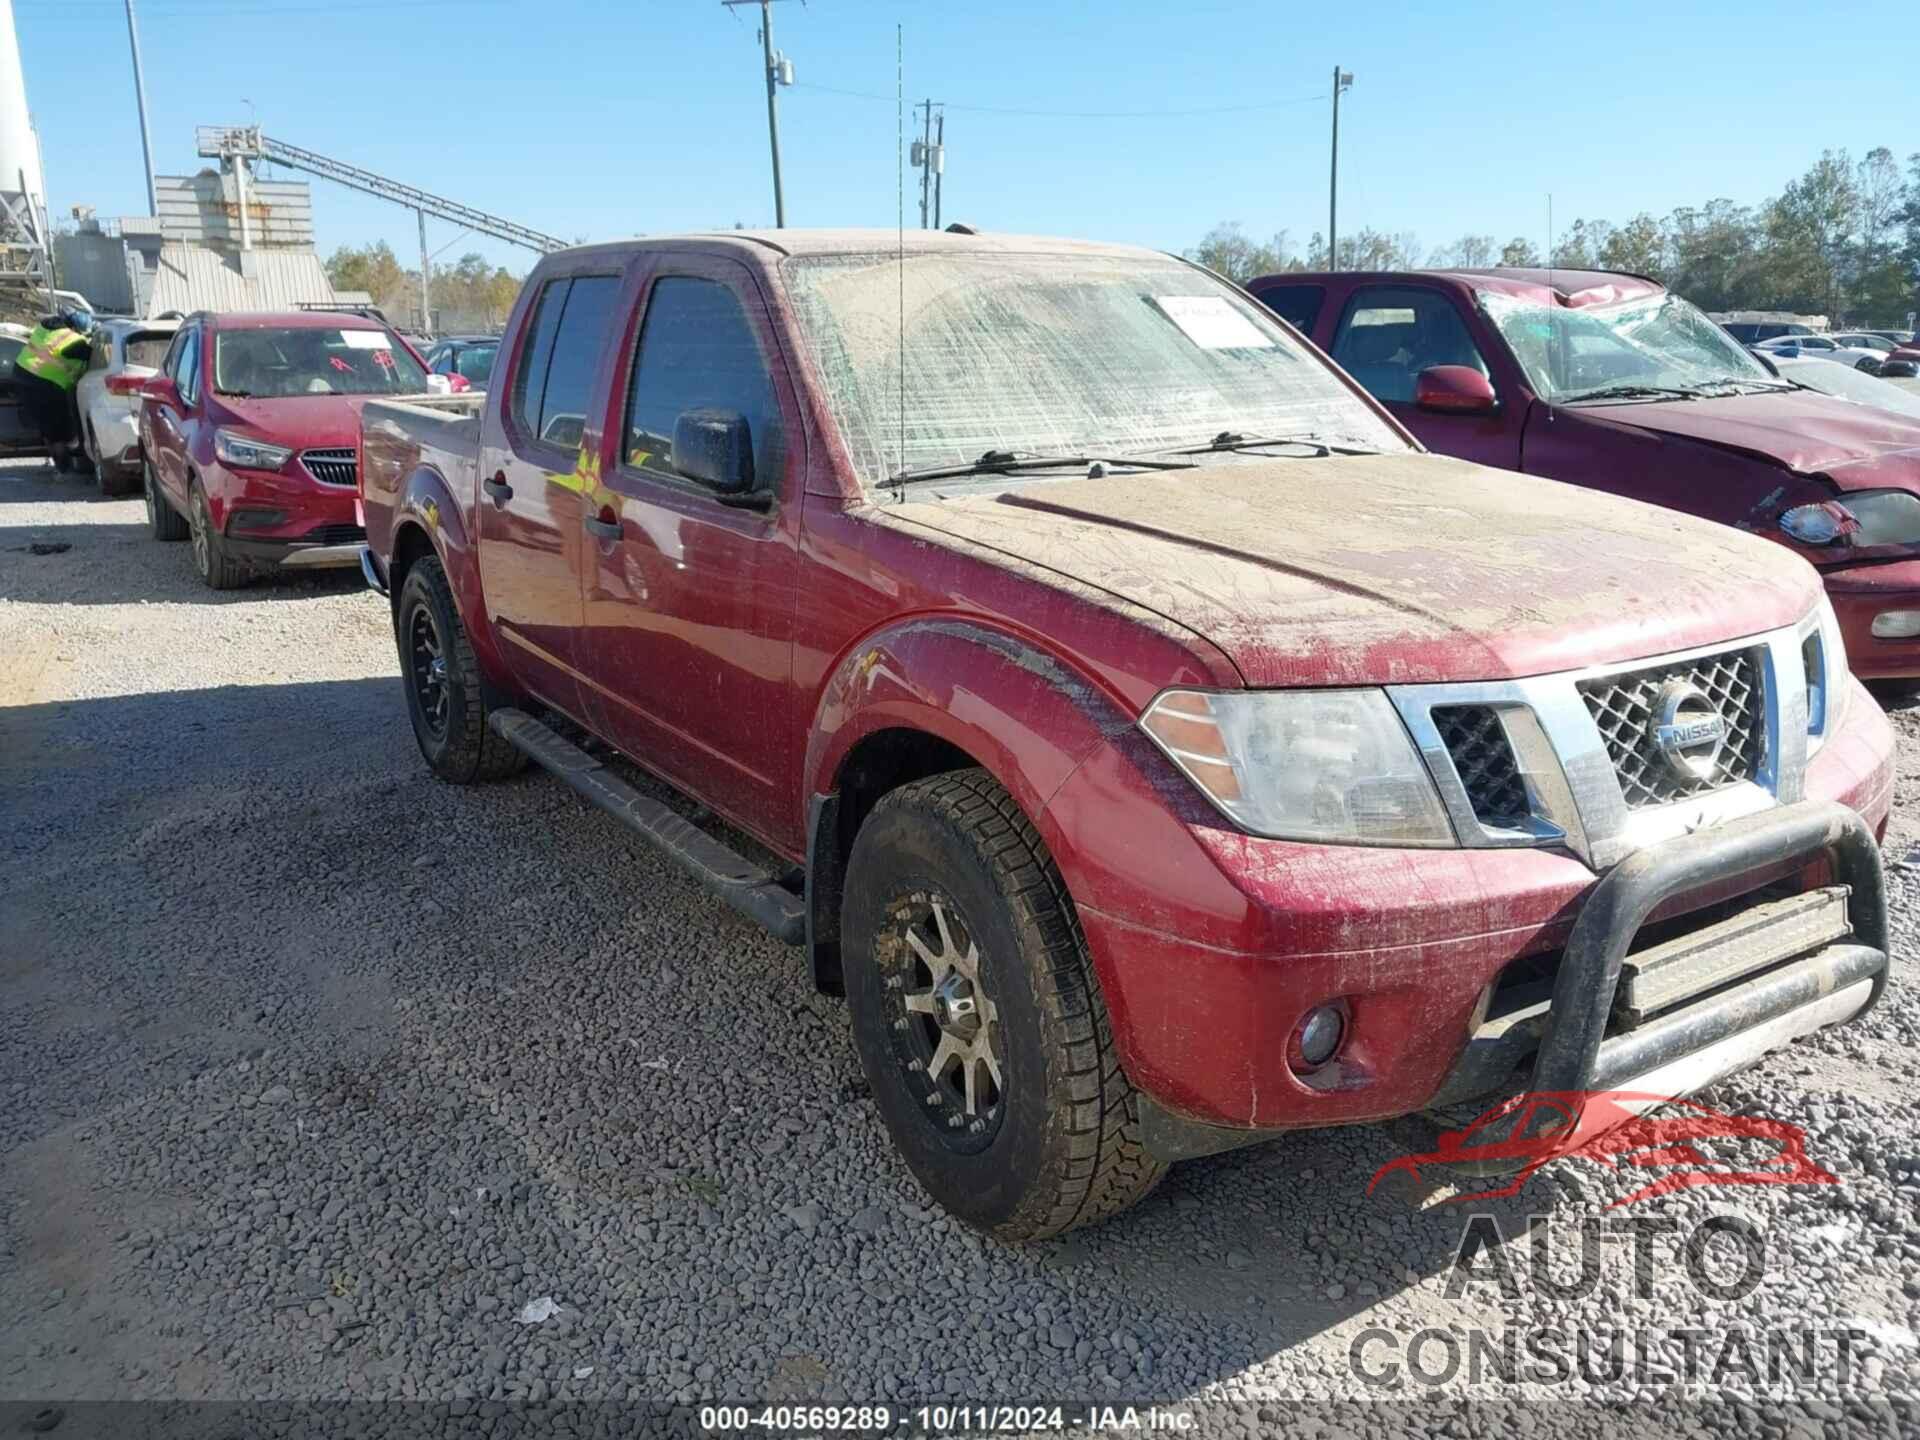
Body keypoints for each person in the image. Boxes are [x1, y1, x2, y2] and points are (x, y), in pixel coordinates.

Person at [17, 307, 93, 471]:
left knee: (46, 425)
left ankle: (60, 465)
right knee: (59, 428)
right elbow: (87, 355)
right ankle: (64, 467)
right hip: (45, 384)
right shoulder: (76, 342)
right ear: (76, 329)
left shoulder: (44, 328)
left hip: (21, 373)